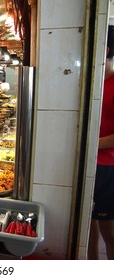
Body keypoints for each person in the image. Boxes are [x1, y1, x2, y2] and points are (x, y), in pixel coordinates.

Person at [88, 25, 114, 260]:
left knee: (109, 228)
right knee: (87, 223)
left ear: (104, 50)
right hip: (91, 164)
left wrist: (87, 145)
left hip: (108, 167)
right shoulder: (94, 83)